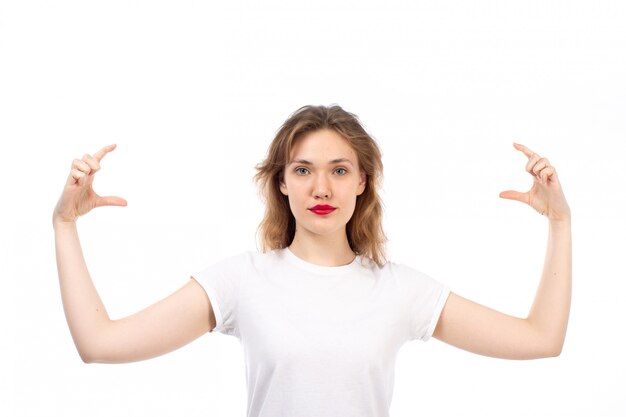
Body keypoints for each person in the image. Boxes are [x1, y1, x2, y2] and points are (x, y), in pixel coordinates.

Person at [53, 104, 572, 417]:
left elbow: (541, 339)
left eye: (340, 171)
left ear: (363, 181)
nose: (321, 187)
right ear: (281, 182)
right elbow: (100, 344)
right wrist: (65, 225)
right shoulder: (240, 281)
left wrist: (560, 224)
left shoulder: (401, 291)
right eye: (303, 170)